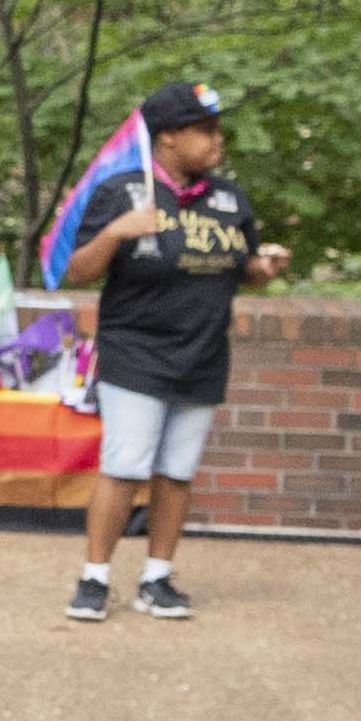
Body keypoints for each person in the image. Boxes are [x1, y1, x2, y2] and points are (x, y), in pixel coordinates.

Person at [42, 87, 283, 624]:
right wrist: (115, 232)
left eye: (218, 129)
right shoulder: (123, 192)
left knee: (176, 471)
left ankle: (157, 578)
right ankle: (94, 578)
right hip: (136, 351)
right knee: (125, 465)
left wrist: (262, 270)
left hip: (201, 353)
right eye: (205, 130)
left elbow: (238, 267)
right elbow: (77, 271)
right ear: (169, 136)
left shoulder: (229, 199)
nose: (217, 140)